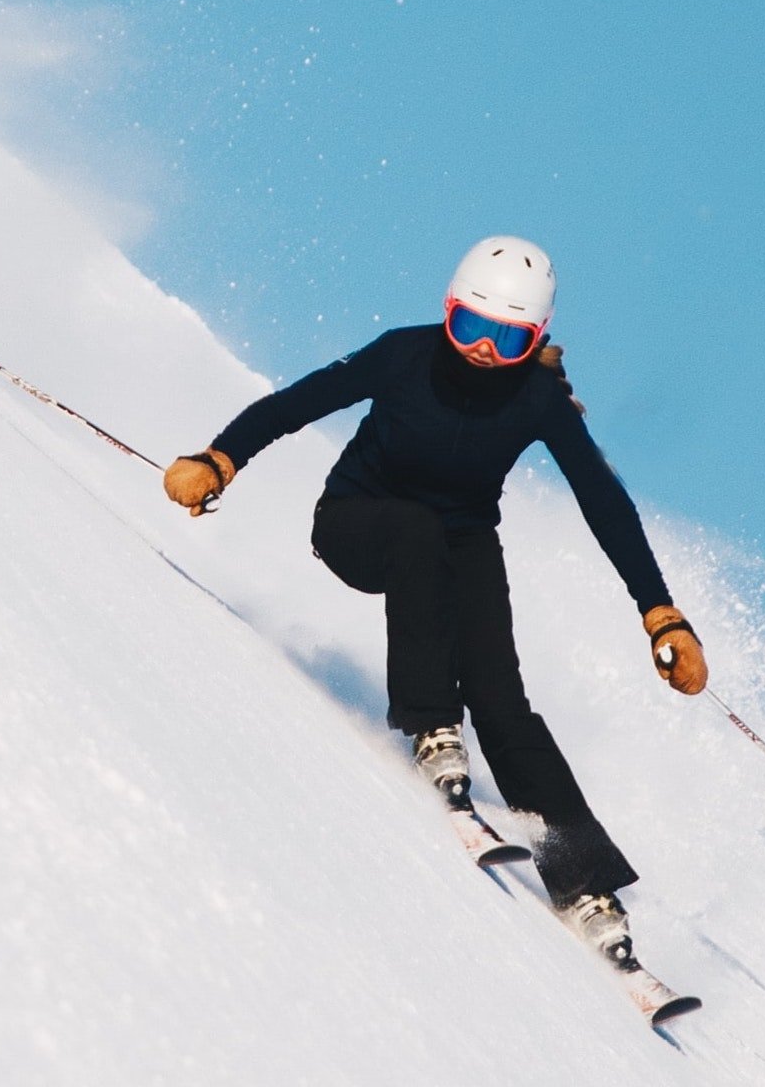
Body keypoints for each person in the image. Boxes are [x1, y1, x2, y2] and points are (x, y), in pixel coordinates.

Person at [161, 235, 708, 960]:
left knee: (503, 696)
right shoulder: (404, 355)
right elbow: (297, 404)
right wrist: (219, 458)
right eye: (470, 327)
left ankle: (582, 882)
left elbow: (602, 501)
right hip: (358, 522)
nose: (483, 350)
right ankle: (431, 726)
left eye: (507, 338)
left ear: (535, 339)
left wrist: (659, 611)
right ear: (447, 313)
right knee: (417, 531)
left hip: (459, 543)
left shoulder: (537, 399)